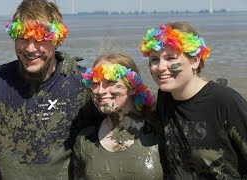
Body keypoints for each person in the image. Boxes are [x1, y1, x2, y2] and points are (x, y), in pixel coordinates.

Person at [0, 0, 102, 179]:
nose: (30, 48)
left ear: (56, 40)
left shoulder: (80, 83)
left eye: (40, 39)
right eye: (23, 38)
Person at [139, 21, 247, 179]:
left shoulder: (224, 101)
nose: (161, 67)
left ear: (195, 60)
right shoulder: (165, 97)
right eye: (155, 59)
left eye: (170, 58)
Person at [73, 53, 163, 179]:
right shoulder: (85, 140)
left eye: (110, 82)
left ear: (132, 87)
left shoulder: (159, 131)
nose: (100, 91)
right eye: (95, 83)